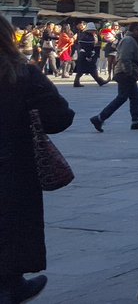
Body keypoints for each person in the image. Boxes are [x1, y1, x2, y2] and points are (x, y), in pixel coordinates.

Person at [0, 15, 73, 304]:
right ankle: (10, 284)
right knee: (12, 221)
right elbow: (60, 117)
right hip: (13, 162)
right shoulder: (22, 73)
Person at [90, 21, 138, 131]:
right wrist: (129, 72)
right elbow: (124, 58)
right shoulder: (128, 40)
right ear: (134, 30)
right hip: (125, 72)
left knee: (134, 96)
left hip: (128, 71)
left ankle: (136, 121)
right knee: (122, 97)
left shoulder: (135, 40)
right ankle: (99, 118)